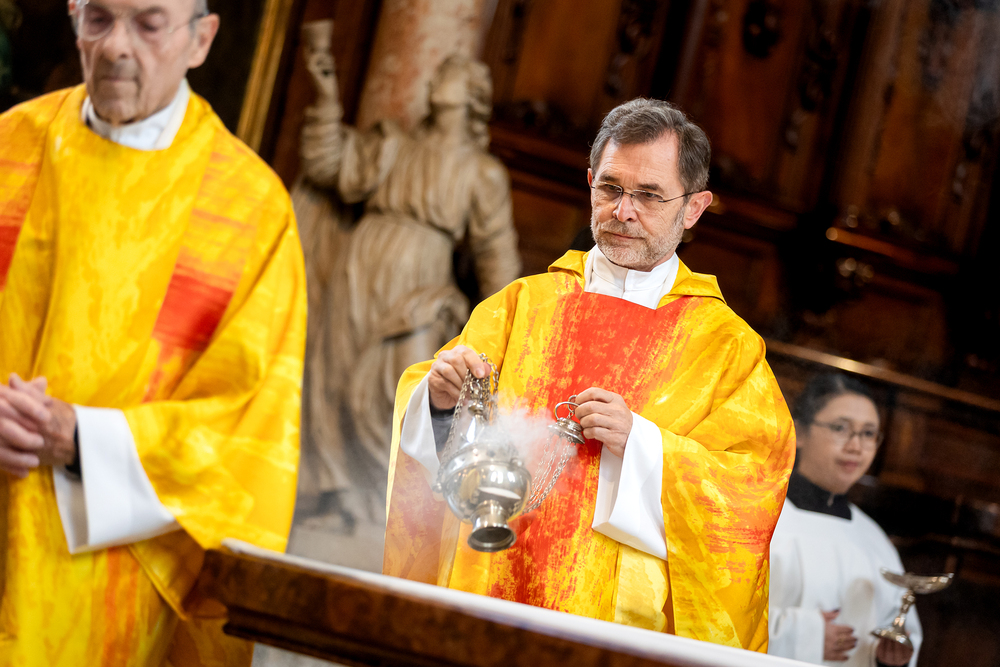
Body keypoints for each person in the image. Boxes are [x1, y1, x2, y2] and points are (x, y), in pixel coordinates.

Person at [382, 98, 796, 652]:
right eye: (610, 188)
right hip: (489, 589)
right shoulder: (521, 306)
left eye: (649, 195)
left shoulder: (726, 347)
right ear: (589, 184)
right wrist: (438, 400)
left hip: (617, 631)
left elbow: (751, 493)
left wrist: (641, 443)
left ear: (694, 208)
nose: (623, 211)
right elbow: (442, 452)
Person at [0, 0, 306, 664]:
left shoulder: (251, 212)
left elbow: (247, 430)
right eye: (99, 19)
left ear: (201, 39)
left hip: (110, 582)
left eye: (148, 23)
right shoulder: (8, 149)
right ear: (74, 16)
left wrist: (83, 440)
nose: (116, 46)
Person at [294, 48, 520, 512]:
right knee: (334, 373)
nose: (434, 80)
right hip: (357, 271)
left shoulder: (482, 172)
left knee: (395, 390)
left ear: (472, 95)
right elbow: (327, 166)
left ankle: (381, 507)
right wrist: (327, 94)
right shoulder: (393, 144)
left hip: (418, 284)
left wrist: (505, 333)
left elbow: (495, 256)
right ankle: (337, 498)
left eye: (447, 74)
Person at [768, 373, 922, 666]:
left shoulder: (874, 540)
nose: (856, 446)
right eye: (841, 428)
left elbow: (902, 631)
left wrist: (888, 657)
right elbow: (715, 618)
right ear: (799, 432)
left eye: (868, 433)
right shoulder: (761, 517)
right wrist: (804, 637)